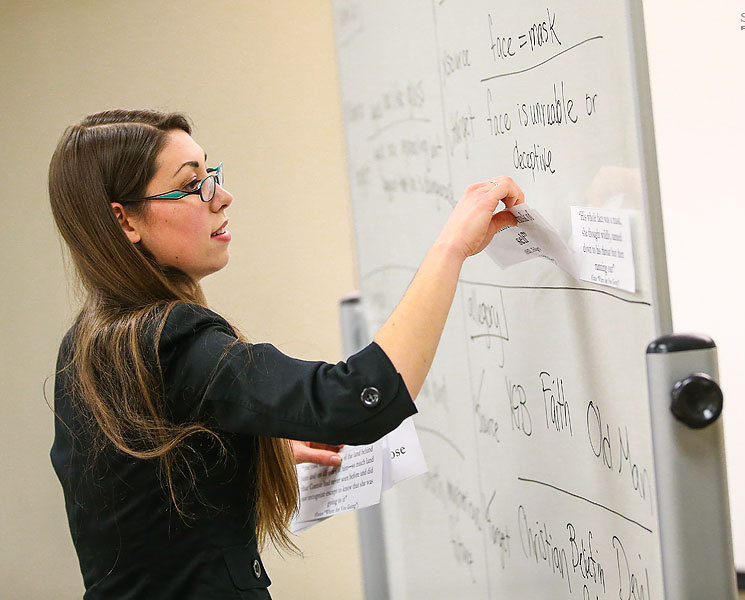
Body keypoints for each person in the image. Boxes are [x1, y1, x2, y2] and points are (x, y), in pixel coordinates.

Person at [48, 109, 523, 599]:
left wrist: (239, 455)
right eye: (193, 185)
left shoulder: (89, 345)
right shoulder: (169, 340)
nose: (222, 196)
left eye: (212, 175)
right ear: (124, 220)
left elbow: (140, 501)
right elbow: (357, 399)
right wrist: (452, 247)